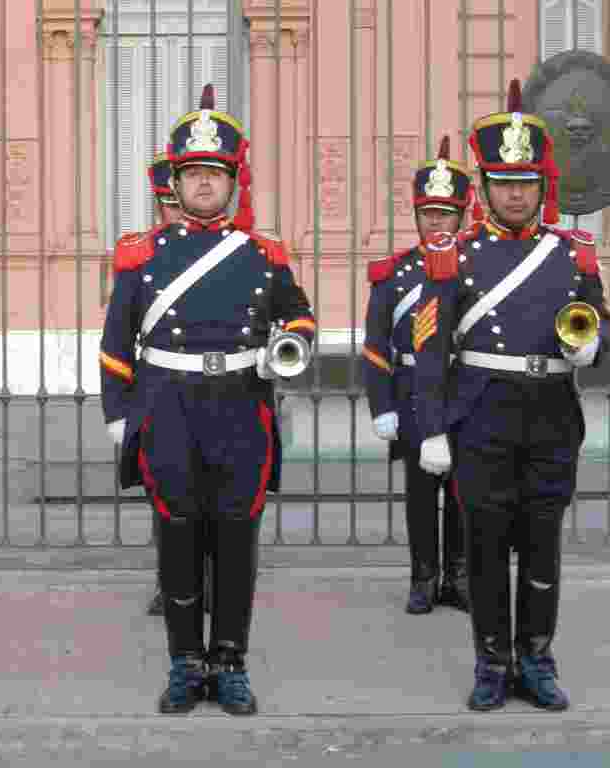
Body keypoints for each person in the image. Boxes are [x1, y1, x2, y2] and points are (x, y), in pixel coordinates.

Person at [100, 85, 315, 715]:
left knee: (236, 541)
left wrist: (292, 343)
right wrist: (119, 413)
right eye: (192, 173)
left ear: (232, 183)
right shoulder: (143, 258)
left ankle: (231, 662)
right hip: (168, 409)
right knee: (178, 537)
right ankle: (183, 664)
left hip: (241, 410)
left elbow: (299, 317)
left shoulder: (263, 257)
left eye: (213, 175)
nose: (201, 185)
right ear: (177, 180)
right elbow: (117, 343)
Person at [413, 79, 610, 711]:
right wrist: (433, 429)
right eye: (504, 183)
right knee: (484, 547)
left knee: (542, 546)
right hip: (482, 415)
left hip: (552, 416)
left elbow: (602, 322)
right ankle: (491, 663)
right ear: (486, 186)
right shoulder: (454, 256)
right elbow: (428, 347)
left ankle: (538, 658)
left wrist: (591, 345)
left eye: (526, 182)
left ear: (540, 185)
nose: (516, 193)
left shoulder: (574, 254)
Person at [362, 136, 471, 615]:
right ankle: (423, 577)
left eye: (445, 212)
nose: (436, 221)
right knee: (421, 494)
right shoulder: (396, 275)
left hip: (467, 392)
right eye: (428, 212)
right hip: (410, 395)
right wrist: (381, 405)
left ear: (462, 215)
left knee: (465, 491)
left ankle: (460, 575)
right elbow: (375, 346)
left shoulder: (476, 268)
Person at [143, 152, 180, 617]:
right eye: (167, 203)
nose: (175, 210)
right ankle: (168, 581)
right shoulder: (143, 254)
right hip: (162, 392)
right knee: (166, 498)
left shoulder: (240, 248)